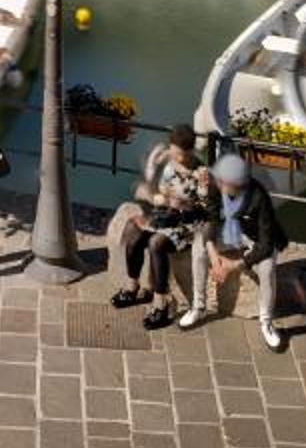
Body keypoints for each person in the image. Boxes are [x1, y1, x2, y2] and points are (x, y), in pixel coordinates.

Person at [183, 153, 292, 352]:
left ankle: (266, 322)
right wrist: (215, 257)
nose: (217, 182)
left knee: (267, 268)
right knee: (199, 245)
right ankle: (198, 306)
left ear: (236, 184)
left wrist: (234, 265)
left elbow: (266, 245)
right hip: (230, 232)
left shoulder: (259, 198)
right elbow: (211, 219)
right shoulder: (218, 186)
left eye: (222, 180)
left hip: (255, 239)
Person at [108, 125, 211, 328]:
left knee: (156, 244)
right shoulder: (171, 166)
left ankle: (160, 303)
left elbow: (205, 210)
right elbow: (162, 189)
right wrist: (157, 197)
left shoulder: (201, 174)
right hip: (165, 216)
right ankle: (132, 286)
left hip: (186, 224)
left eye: (179, 154)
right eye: (172, 151)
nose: (174, 157)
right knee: (133, 231)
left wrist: (182, 205)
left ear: (190, 151)